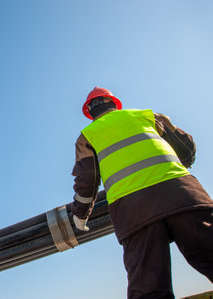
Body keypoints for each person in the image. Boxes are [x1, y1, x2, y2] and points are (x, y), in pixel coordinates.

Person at [69, 87, 213, 299]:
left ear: (90, 111)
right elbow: (186, 145)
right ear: (113, 102)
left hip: (134, 213)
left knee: (149, 289)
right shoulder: (146, 115)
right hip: (184, 196)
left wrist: (80, 215)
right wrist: (183, 164)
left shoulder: (87, 136)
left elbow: (86, 182)